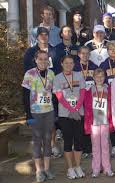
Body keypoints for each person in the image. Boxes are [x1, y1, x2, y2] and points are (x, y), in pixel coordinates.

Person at [22, 50, 56, 182]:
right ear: (35, 60)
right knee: (37, 141)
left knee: (48, 140)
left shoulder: (52, 74)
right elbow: (25, 95)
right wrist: (28, 114)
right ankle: (39, 171)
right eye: (40, 59)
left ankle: (47, 169)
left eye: (45, 59)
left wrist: (56, 112)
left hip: (49, 111)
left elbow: (53, 94)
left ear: (48, 61)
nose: (43, 61)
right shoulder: (29, 74)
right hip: (35, 112)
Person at [53, 55, 86, 179]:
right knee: (68, 141)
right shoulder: (57, 78)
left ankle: (77, 166)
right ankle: (70, 168)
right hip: (65, 114)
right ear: (61, 64)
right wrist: (71, 109)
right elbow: (59, 97)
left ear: (74, 64)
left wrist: (76, 109)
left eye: (71, 63)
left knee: (78, 141)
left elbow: (82, 93)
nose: (69, 65)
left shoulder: (79, 75)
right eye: (66, 63)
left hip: (78, 113)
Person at [84, 68, 115, 177]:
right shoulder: (89, 91)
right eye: (97, 77)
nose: (100, 78)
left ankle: (107, 168)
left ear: (105, 77)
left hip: (105, 122)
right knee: (95, 147)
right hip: (94, 123)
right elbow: (87, 108)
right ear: (93, 78)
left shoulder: (108, 89)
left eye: (102, 76)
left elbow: (112, 106)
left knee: (106, 146)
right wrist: (87, 124)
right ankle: (96, 169)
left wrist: (112, 121)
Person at [73, 46, 98, 159]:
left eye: (87, 53)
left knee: (90, 124)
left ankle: (89, 148)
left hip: (91, 100)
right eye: (83, 53)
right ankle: (81, 148)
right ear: (79, 54)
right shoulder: (75, 67)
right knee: (79, 125)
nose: (85, 55)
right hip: (78, 99)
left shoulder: (93, 66)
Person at [99, 40, 115, 158]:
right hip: (108, 96)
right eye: (110, 49)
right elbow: (100, 79)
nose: (113, 51)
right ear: (107, 51)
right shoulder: (103, 64)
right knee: (112, 120)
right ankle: (114, 145)